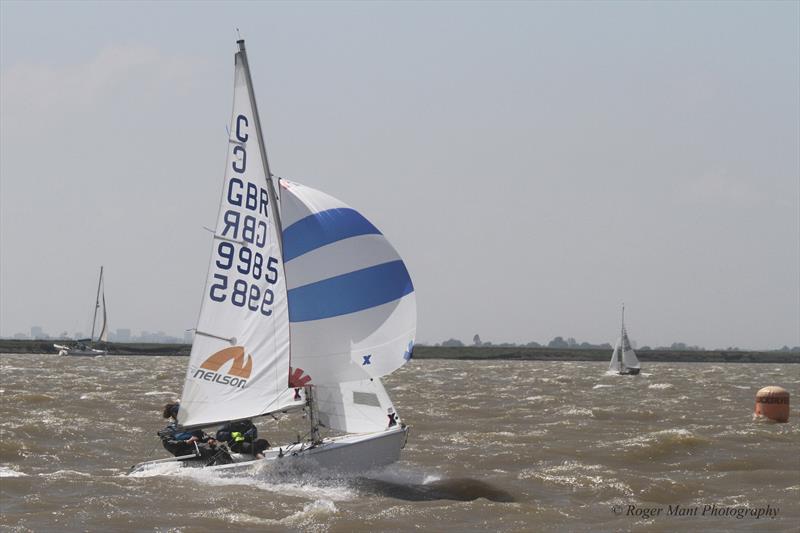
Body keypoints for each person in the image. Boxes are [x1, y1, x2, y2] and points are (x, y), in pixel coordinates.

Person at [158, 402, 230, 464]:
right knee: (204, 450)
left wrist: (210, 440)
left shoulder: (192, 427)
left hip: (199, 448)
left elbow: (204, 436)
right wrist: (186, 442)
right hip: (184, 453)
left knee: (221, 448)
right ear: (175, 415)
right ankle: (212, 468)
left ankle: (230, 466)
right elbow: (169, 443)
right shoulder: (169, 430)